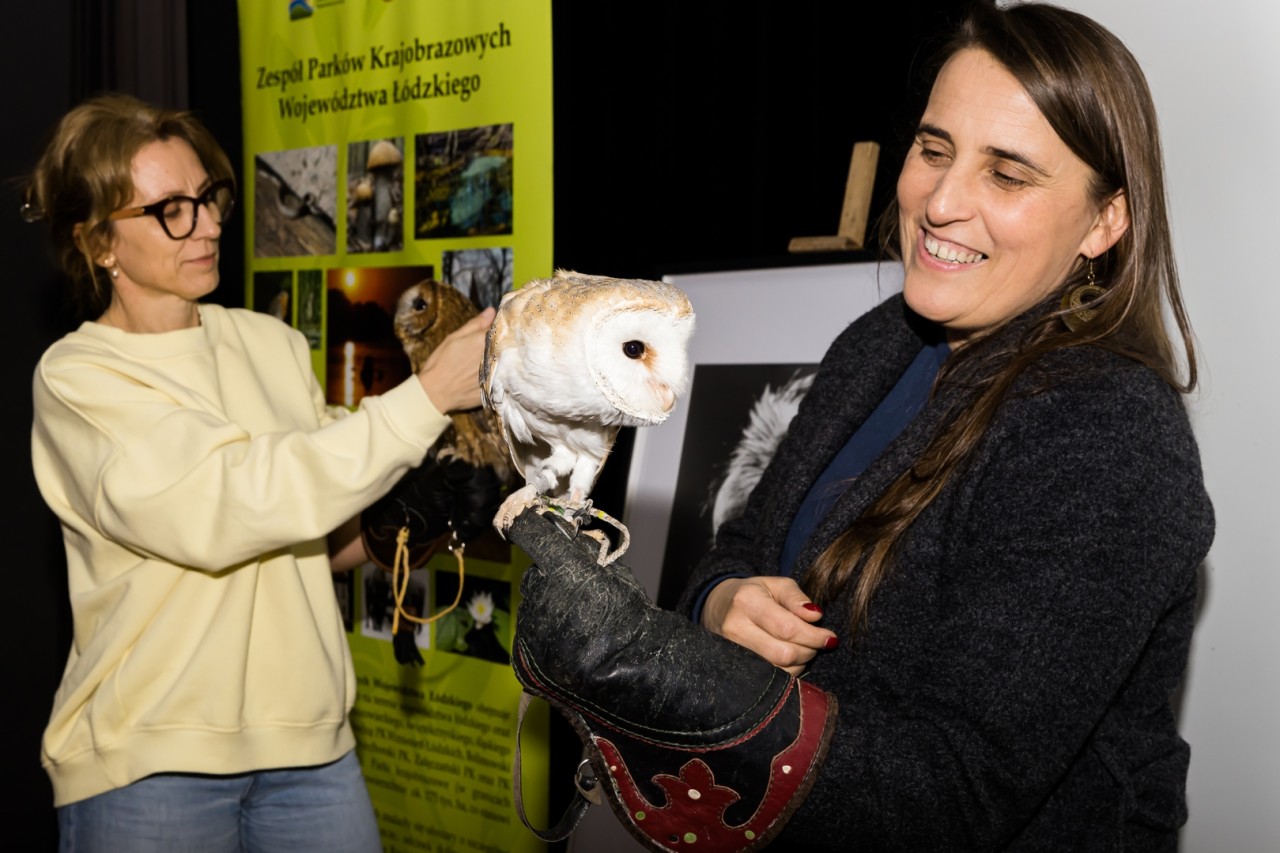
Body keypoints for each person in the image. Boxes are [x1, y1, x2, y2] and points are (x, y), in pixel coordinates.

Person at [673, 2, 1214, 849]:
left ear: (1105, 221)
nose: (941, 200)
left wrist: (683, 693)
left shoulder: (1109, 433)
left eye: (1007, 174)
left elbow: (956, 790)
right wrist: (720, 603)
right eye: (934, 149)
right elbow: (742, 539)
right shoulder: (879, 343)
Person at [26, 93, 493, 851]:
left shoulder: (270, 342)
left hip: (312, 748)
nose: (208, 225)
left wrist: (409, 515)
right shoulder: (79, 376)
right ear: (100, 242)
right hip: (151, 762)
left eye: (208, 196)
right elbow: (234, 503)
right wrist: (428, 395)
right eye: (171, 210)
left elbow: (307, 533)